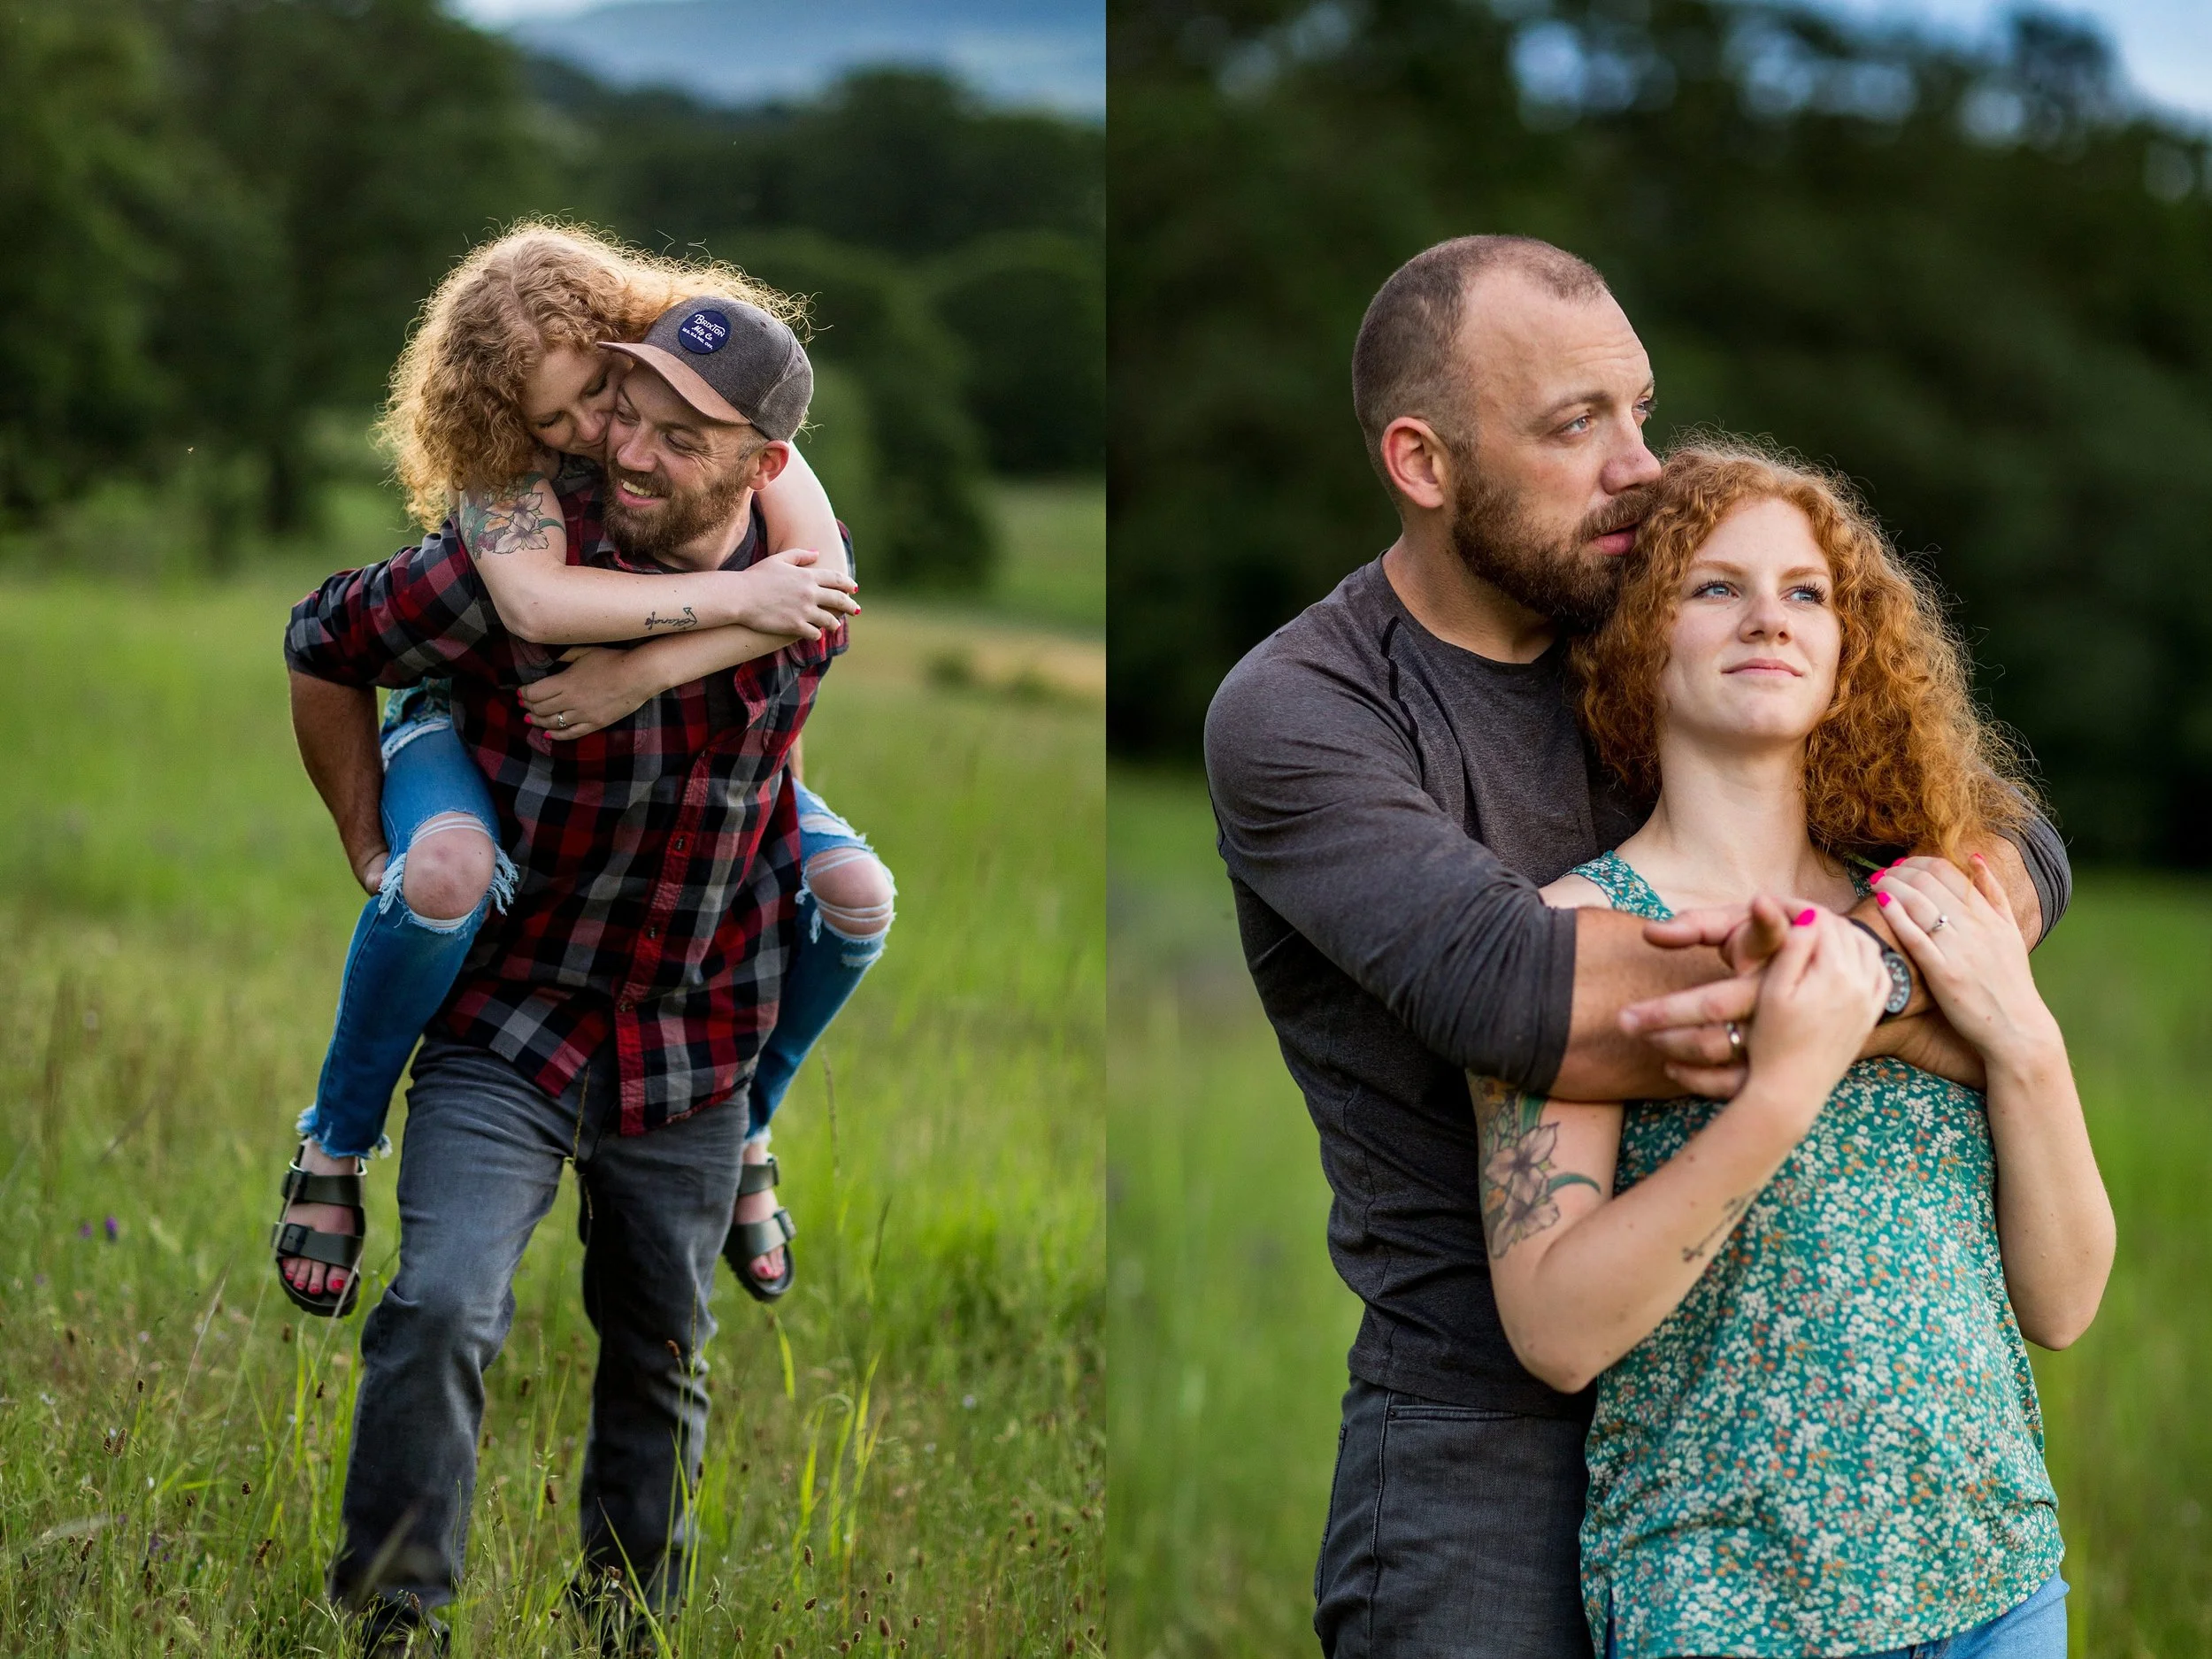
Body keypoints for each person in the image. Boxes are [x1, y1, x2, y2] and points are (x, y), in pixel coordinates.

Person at [1202, 234, 2075, 1655]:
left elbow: (2016, 846)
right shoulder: (1305, 709)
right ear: (1422, 463)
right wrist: (1935, 999)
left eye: (1641, 410)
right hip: (1480, 1429)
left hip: (1764, 1426)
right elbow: (1525, 992)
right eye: (1574, 425)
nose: (1643, 468)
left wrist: (1911, 977)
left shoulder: (1665, 621)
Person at [1472, 440, 2112, 1656]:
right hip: (1726, 1599)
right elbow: (1555, 1330)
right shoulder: (1574, 936)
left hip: (1995, 1576)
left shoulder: (1933, 906)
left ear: (1847, 646)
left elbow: (2067, 1300)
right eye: (1715, 586)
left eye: (1806, 591)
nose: (1769, 615)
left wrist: (2025, 1039)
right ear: (1637, 637)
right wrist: (1787, 1081)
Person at [286, 288, 841, 1653]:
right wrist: (371, 846)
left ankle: (626, 1628)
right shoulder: (510, 563)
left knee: (661, 1353)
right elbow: (320, 638)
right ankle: (394, 1625)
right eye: (624, 413)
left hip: (695, 1033)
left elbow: (802, 682)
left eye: (680, 434)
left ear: (762, 469)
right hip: (509, 1027)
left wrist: (644, 671)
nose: (632, 453)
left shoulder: (800, 587)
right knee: (439, 1308)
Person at [273, 227, 895, 1323]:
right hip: (456, 736)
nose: (590, 439)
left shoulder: (720, 417)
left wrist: (645, 671)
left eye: (597, 398)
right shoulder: (515, 485)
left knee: (860, 898)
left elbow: (820, 580)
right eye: (549, 422)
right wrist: (364, 840)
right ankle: (334, 1143)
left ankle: (752, 1123)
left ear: (627, 345)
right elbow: (532, 608)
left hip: (694, 795)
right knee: (448, 871)